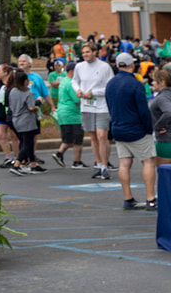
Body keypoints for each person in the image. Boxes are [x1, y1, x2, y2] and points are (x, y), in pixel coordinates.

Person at [105, 53, 157, 210]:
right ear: (132, 65)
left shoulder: (110, 84)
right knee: (148, 161)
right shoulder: (136, 84)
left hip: (118, 127)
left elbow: (109, 106)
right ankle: (151, 199)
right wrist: (149, 128)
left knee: (124, 163)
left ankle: (128, 198)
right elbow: (143, 111)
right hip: (136, 129)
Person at [72, 42, 115, 179]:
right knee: (93, 136)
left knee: (102, 135)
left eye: (88, 52)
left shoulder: (104, 67)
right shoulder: (79, 67)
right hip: (87, 106)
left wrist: (94, 92)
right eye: (83, 52)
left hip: (102, 106)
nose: (85, 54)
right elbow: (74, 81)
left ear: (95, 52)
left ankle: (105, 166)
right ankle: (99, 165)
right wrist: (78, 90)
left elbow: (110, 86)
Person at [8, 70, 44, 174]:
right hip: (27, 120)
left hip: (16, 119)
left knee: (26, 142)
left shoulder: (13, 91)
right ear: (24, 81)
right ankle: (17, 164)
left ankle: (33, 164)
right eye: (27, 80)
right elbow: (31, 107)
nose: (28, 81)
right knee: (27, 143)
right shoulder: (28, 92)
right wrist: (37, 105)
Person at [52, 61, 85, 169]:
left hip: (63, 112)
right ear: (72, 71)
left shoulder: (63, 81)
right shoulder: (71, 83)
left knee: (68, 138)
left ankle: (60, 154)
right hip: (73, 114)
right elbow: (77, 100)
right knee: (78, 139)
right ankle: (77, 161)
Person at [150, 68, 171, 165]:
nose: (152, 83)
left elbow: (169, 112)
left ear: (162, 82)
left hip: (167, 140)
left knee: (163, 172)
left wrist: (158, 126)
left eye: (154, 80)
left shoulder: (163, 97)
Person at [0, 64, 18, 167]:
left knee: (14, 136)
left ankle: (18, 159)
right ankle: (8, 158)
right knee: (1, 135)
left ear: (5, 73)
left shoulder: (14, 84)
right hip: (1, 114)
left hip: (13, 114)